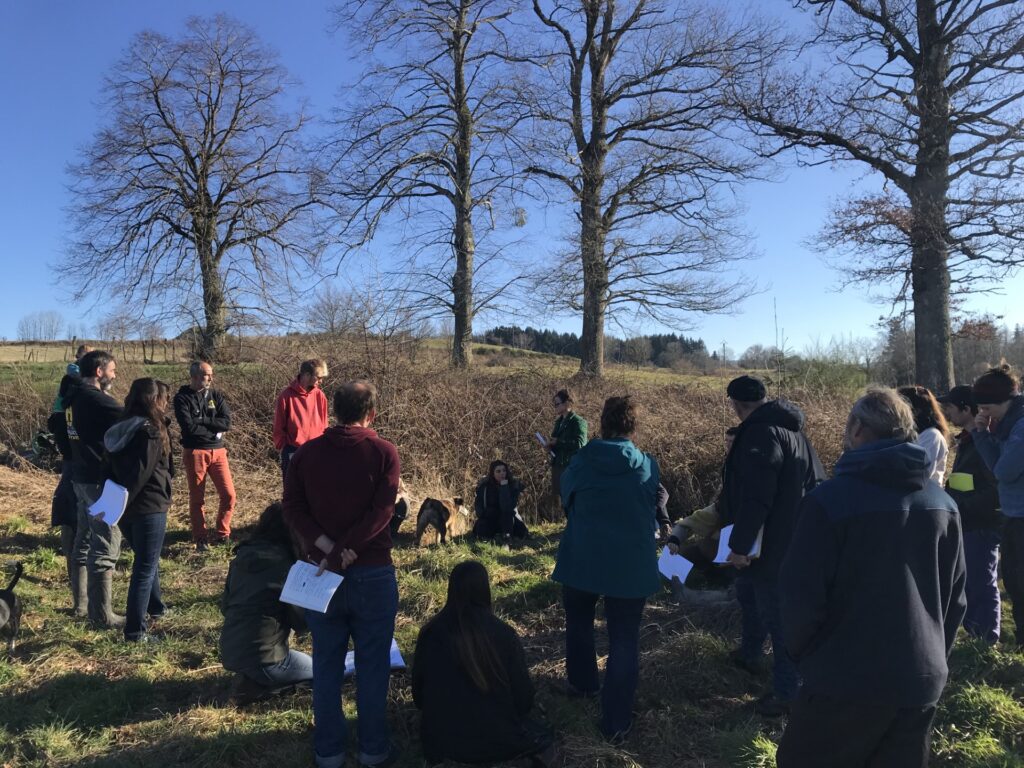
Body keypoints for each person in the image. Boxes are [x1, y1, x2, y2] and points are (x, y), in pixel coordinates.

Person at [777, 388, 966, 768]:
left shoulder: (828, 502)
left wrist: (810, 659)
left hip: (843, 679)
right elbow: (955, 599)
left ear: (857, 429)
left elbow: (799, 597)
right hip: (919, 680)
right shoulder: (943, 505)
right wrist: (931, 660)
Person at [283, 380, 401, 768]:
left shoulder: (306, 454)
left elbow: (294, 508)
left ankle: (329, 752)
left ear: (333, 410)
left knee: (327, 665)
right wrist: (350, 548)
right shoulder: (384, 452)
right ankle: (372, 750)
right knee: (373, 665)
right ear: (372, 414)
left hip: (320, 572)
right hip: (372, 570)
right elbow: (383, 511)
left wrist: (331, 548)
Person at [552, 395, 660, 745]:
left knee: (579, 623)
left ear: (602, 423)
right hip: (630, 564)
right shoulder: (646, 465)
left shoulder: (582, 460)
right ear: (633, 426)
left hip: (583, 556)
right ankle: (617, 721)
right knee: (624, 639)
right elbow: (651, 503)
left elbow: (565, 496)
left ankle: (583, 684)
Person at [721, 375, 825, 717]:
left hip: (771, 545)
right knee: (750, 597)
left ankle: (787, 692)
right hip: (795, 538)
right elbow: (817, 484)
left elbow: (756, 496)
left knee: (777, 616)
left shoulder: (760, 434)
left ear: (736, 405)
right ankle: (750, 655)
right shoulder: (796, 434)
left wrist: (739, 544)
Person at [412, 560, 554, 766]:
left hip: (441, 745)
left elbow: (418, 697)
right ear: (486, 591)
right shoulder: (504, 634)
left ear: (450, 590)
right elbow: (524, 700)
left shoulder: (430, 633)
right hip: (499, 743)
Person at [221, 502, 312, 701]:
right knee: (324, 672)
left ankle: (253, 678)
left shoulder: (241, 557)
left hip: (229, 651)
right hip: (268, 659)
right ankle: (262, 689)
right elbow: (302, 622)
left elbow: (225, 606)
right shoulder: (287, 568)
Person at [104, 378, 172, 642]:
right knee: (144, 566)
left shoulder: (119, 428)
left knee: (147, 558)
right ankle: (135, 631)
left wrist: (114, 504)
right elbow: (140, 474)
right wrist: (127, 499)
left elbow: (107, 469)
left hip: (124, 508)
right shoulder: (150, 432)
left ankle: (156, 608)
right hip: (148, 506)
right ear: (154, 401)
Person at [939, 385, 1002, 644]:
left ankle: (987, 639)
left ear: (966, 408)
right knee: (972, 580)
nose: (947, 413)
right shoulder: (967, 439)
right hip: (969, 523)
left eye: (951, 408)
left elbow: (995, 489)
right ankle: (977, 632)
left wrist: (961, 507)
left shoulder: (982, 441)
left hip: (981, 524)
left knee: (982, 581)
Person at [66, 350, 124, 628]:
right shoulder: (96, 399)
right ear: (99, 371)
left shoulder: (72, 397)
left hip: (78, 476)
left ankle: (81, 606)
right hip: (99, 481)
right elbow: (131, 417)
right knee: (106, 542)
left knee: (84, 542)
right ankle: (103, 615)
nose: (114, 375)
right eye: (112, 370)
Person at [971, 364, 1024, 648]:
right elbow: (995, 468)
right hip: (1014, 515)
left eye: (986, 408)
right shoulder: (1006, 426)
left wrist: (989, 434)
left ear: (1003, 402)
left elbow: (1004, 471)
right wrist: (981, 433)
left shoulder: (1021, 426)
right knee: (1015, 584)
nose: (984, 414)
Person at [173, 360, 236, 550]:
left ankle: (223, 533)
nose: (210, 378)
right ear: (194, 377)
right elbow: (189, 428)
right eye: (207, 375)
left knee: (229, 495)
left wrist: (202, 420)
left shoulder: (215, 395)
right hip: (195, 452)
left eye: (211, 374)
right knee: (197, 497)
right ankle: (200, 537)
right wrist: (211, 426)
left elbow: (226, 423)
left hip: (218, 451)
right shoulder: (182, 398)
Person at [48, 362, 85, 615]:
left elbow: (55, 427)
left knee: (71, 533)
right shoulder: (84, 411)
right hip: (81, 474)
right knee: (80, 537)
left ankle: (79, 600)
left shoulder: (60, 414)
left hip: (69, 471)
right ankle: (84, 602)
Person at [273, 358, 329, 481]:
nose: (321, 381)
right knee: (293, 490)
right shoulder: (286, 396)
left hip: (316, 450)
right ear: (307, 375)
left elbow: (324, 424)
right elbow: (278, 427)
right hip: (293, 450)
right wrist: (284, 447)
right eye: (318, 377)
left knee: (315, 489)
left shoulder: (320, 396)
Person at [546, 389, 587, 518]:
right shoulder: (558, 422)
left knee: (573, 498)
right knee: (563, 497)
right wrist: (550, 446)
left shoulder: (578, 422)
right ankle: (570, 525)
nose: (555, 407)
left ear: (567, 403)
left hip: (570, 465)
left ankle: (575, 524)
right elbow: (556, 442)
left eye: (557, 404)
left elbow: (580, 444)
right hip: (558, 463)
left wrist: (559, 441)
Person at [899, 385, 951, 485]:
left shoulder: (931, 436)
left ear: (916, 411)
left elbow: (919, 474)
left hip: (925, 496)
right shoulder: (908, 433)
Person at [472, 460, 529, 544]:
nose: (502, 473)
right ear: (493, 473)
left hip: (508, 520)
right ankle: (493, 537)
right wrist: (486, 513)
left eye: (504, 470)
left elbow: (507, 507)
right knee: (482, 527)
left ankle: (506, 539)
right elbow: (478, 507)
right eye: (498, 471)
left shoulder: (512, 486)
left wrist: (504, 486)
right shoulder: (485, 487)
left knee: (507, 516)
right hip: (490, 518)